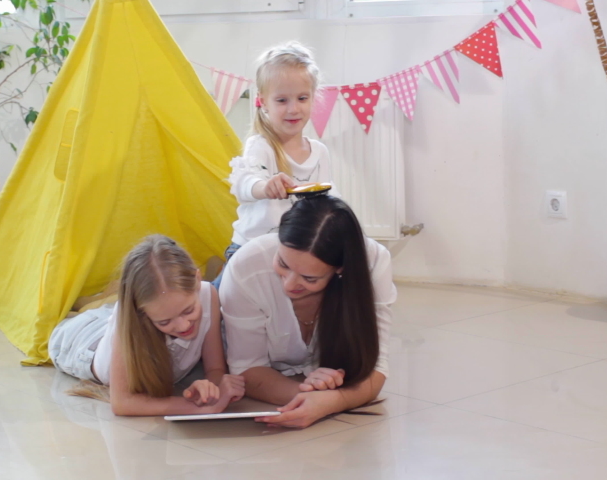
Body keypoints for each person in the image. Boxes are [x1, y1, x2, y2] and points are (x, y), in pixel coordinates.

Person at [220, 195, 397, 428]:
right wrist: (304, 394)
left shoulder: (374, 262)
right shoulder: (248, 264)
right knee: (204, 302)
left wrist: (331, 402)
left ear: (339, 270)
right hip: (225, 290)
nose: (289, 285)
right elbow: (246, 368)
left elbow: (375, 369)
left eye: (309, 278)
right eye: (282, 264)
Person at [49, 235, 245, 416]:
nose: (184, 325)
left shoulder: (207, 294)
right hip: (82, 342)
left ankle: (104, 299)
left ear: (197, 279)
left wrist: (209, 388)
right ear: (141, 313)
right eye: (165, 322)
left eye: (188, 310)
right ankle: (100, 301)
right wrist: (197, 408)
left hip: (114, 319)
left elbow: (215, 369)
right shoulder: (129, 320)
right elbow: (123, 403)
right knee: (102, 316)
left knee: (113, 310)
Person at [215, 42, 340, 287]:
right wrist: (264, 187)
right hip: (250, 249)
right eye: (282, 100)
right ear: (263, 102)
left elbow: (329, 197)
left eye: (302, 98)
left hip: (294, 253)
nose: (293, 109)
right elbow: (244, 183)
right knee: (220, 305)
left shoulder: (320, 152)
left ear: (313, 99)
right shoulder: (261, 146)